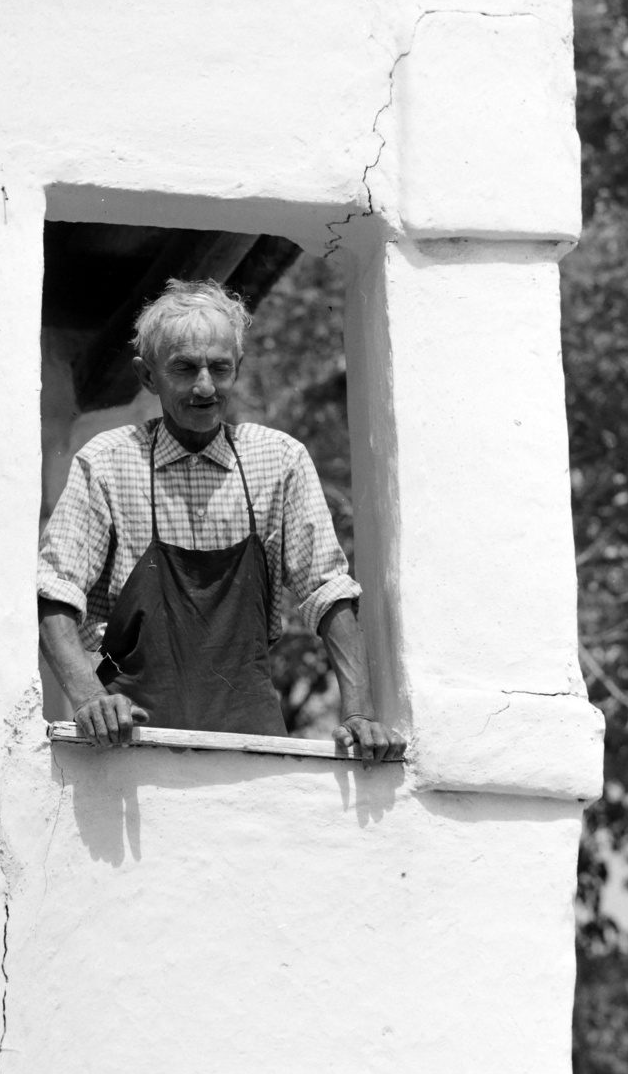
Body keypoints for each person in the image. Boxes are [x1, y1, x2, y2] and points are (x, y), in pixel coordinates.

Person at [38, 278, 405, 761]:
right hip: (128, 740)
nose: (205, 386)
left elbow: (327, 590)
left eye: (219, 368)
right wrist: (90, 699)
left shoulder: (278, 459)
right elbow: (55, 596)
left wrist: (358, 714)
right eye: (185, 369)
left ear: (238, 369)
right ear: (147, 377)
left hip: (246, 732)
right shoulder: (106, 461)